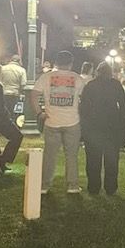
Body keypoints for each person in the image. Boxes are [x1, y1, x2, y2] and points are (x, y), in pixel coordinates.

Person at [28, 50, 86, 195]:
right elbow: (85, 98)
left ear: (56, 62)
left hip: (51, 121)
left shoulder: (46, 77)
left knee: (50, 155)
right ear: (71, 63)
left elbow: (33, 95)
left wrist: (39, 113)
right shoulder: (77, 78)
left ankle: (44, 185)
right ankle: (72, 185)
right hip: (72, 121)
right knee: (71, 155)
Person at [78, 62, 125, 196]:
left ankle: (93, 187)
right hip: (112, 126)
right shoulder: (116, 85)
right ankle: (110, 187)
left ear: (97, 72)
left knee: (93, 159)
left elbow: (84, 107)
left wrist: (84, 126)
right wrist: (122, 126)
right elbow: (123, 106)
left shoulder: (91, 85)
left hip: (94, 126)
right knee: (111, 159)